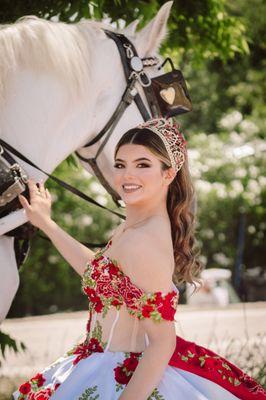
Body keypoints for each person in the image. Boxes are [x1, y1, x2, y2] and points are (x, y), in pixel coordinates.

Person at [14, 118, 265, 400]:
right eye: (121, 164)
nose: (126, 175)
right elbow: (98, 271)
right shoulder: (135, 226)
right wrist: (47, 224)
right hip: (99, 363)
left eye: (142, 165)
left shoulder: (143, 241)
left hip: (127, 378)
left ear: (168, 174)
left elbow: (161, 343)